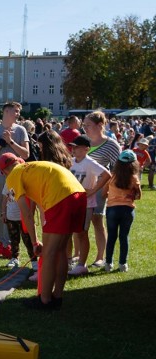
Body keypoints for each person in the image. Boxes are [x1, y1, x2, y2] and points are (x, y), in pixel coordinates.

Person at [0, 154, 86, 310]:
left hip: (60, 197)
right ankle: (57, 297)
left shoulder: (13, 175)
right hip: (79, 193)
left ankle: (44, 300)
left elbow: (25, 213)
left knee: (49, 253)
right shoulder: (33, 169)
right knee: (61, 251)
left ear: (4, 171)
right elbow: (38, 203)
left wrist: (34, 242)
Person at [0, 102, 30, 258]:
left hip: (16, 177)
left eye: (18, 112)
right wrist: (0, 144)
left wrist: (11, 142)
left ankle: (12, 244)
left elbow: (26, 154)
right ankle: (3, 243)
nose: (17, 114)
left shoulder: (21, 130)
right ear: (6, 111)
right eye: (15, 111)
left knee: (15, 211)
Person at [67, 136, 111, 276]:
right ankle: (68, 261)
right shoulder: (71, 162)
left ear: (86, 149)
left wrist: (93, 190)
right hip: (72, 202)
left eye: (77, 147)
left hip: (86, 204)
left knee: (82, 233)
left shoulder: (89, 162)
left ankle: (82, 264)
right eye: (73, 147)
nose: (73, 149)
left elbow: (106, 174)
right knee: (68, 232)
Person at [82, 111, 121, 268]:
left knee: (97, 220)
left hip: (99, 188)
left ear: (100, 125)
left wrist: (105, 189)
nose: (85, 128)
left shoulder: (111, 144)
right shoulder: (83, 141)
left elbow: (117, 170)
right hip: (80, 188)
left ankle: (100, 256)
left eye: (88, 125)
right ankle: (78, 256)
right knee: (79, 223)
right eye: (84, 125)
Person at [103, 150, 141, 273]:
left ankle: (108, 263)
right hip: (128, 210)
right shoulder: (134, 178)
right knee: (124, 237)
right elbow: (138, 196)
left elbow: (104, 194)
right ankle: (123, 264)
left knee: (111, 237)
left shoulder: (112, 177)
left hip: (112, 209)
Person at [1, 181, 36, 269]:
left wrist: (31, 213)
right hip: (10, 217)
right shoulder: (8, 182)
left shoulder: (25, 182)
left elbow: (32, 199)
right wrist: (3, 213)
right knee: (13, 239)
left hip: (23, 219)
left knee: (28, 240)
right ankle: (14, 258)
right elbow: (4, 199)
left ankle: (34, 261)